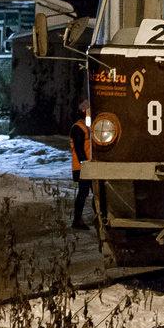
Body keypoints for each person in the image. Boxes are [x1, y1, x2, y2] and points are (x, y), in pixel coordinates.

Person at [70, 98, 92, 230]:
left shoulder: (84, 127)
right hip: (83, 167)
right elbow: (79, 149)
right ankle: (77, 220)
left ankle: (78, 220)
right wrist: (85, 163)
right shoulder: (79, 128)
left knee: (85, 193)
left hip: (86, 166)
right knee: (84, 193)